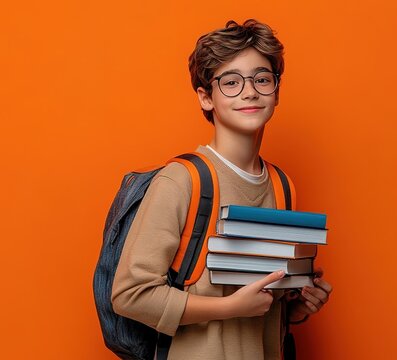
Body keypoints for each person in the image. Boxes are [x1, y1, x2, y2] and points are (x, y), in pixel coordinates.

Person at [111, 19, 332, 359]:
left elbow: (264, 303)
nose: (249, 91)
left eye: (262, 79)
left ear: (276, 90)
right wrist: (229, 307)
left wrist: (297, 308)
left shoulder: (282, 185)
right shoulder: (182, 180)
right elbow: (130, 295)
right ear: (205, 97)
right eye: (230, 81)